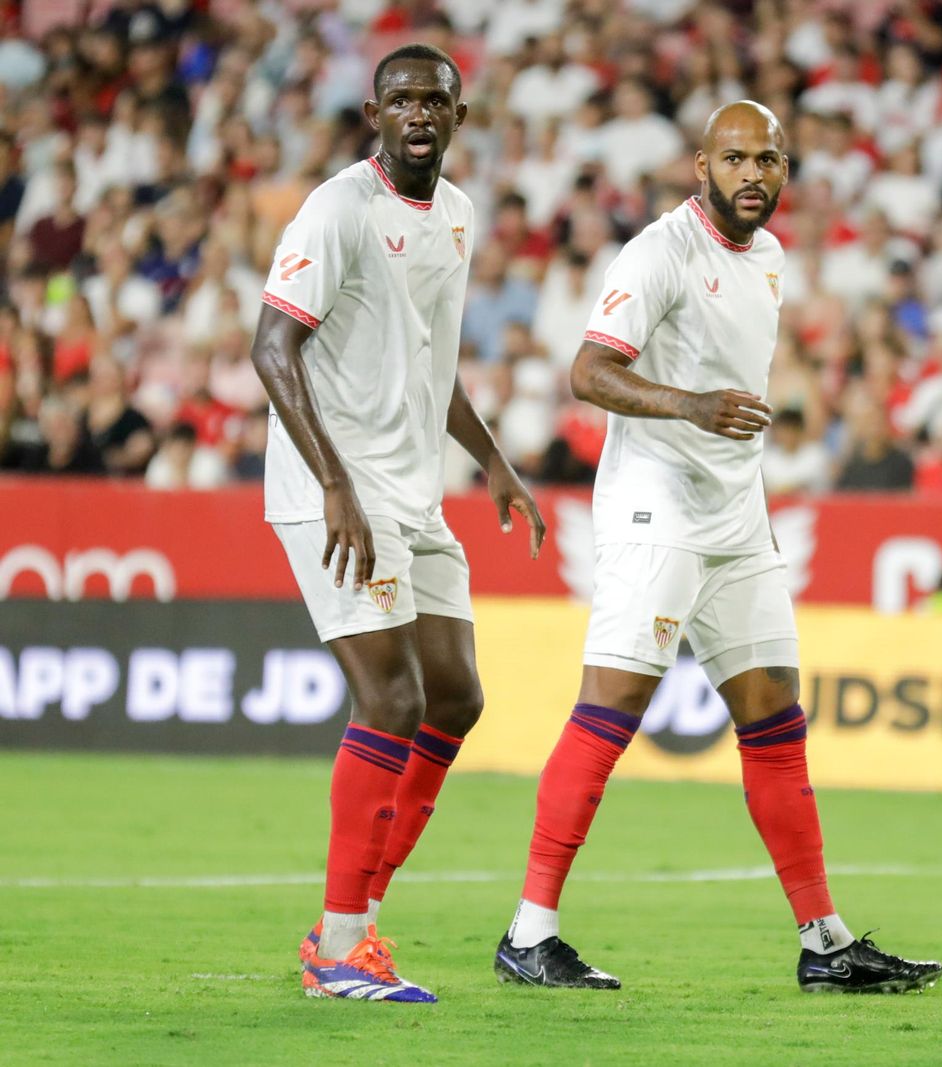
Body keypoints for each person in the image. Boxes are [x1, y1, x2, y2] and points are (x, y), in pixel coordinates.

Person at [495, 100, 941, 995]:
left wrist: (754, 503)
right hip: (656, 506)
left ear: (785, 170)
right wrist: (689, 404)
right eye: (733, 159)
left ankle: (824, 940)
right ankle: (529, 932)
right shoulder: (659, 253)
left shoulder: (770, 257)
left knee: (775, 715)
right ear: (701, 166)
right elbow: (588, 371)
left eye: (767, 160)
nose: (751, 175)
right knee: (613, 706)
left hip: (738, 514)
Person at [249, 44, 546, 1004]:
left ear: (462, 118)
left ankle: (356, 914)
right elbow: (272, 344)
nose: (420, 114)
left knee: (455, 697)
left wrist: (490, 457)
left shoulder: (455, 216)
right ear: (374, 112)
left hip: (413, 490)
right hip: (338, 491)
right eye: (402, 99)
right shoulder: (339, 211)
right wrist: (333, 482)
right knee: (391, 701)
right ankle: (340, 947)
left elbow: (429, 362)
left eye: (437, 101)